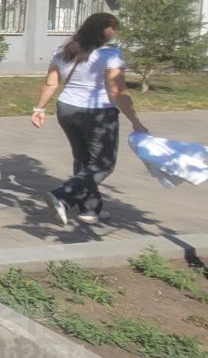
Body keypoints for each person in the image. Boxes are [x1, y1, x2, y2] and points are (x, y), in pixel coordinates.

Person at [31, 12, 148, 226]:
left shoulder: (63, 51)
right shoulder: (110, 55)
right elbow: (117, 90)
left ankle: (89, 209)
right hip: (98, 114)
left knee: (84, 161)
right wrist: (135, 121)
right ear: (105, 31)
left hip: (67, 109)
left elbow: (51, 83)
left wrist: (39, 109)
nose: (115, 32)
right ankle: (62, 196)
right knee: (103, 164)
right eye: (114, 28)